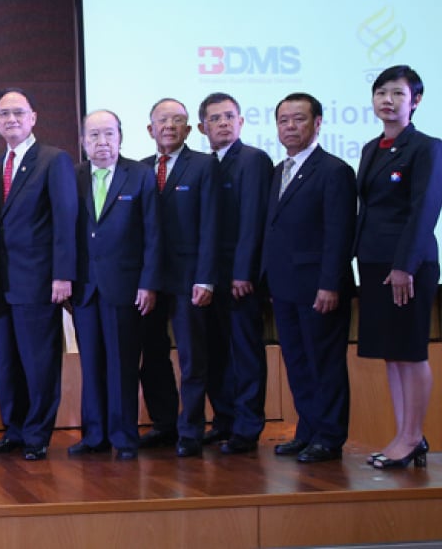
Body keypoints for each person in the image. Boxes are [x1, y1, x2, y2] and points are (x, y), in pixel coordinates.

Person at [355, 65, 442, 469]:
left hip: (409, 264)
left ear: (416, 101)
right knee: (391, 353)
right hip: (374, 263)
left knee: (410, 351)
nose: (387, 100)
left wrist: (405, 265)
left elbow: (424, 210)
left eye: (397, 94)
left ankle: (412, 437)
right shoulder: (372, 148)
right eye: (381, 93)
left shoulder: (427, 147)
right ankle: (404, 434)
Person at [0, 87, 78, 461]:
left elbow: (65, 218)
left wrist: (63, 275)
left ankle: (38, 433)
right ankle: (15, 430)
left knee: (39, 363)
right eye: (4, 114)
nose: (11, 119)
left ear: (33, 117)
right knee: (8, 364)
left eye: (18, 113)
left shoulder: (53, 160)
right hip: (0, 285)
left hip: (39, 281)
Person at [263, 92, 356, 463]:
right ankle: (308, 430)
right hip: (285, 287)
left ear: (318, 123)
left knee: (325, 362)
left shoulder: (334, 171)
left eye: (298, 119)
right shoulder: (278, 170)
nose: (290, 126)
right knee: (298, 362)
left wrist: (330, 283)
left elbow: (339, 233)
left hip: (320, 287)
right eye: (283, 120)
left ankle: (330, 436)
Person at [69, 110, 160, 461]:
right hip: (86, 289)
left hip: (127, 287)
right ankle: (94, 435)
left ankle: (123, 437)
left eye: (108, 134)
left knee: (122, 364)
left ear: (121, 138)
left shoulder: (139, 175)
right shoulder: (73, 177)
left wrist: (148, 283)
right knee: (90, 364)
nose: (101, 142)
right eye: (93, 136)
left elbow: (153, 234)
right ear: (83, 141)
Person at [138, 97, 219, 458]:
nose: (169, 126)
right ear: (150, 129)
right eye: (162, 121)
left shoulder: (204, 165)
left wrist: (206, 278)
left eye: (177, 121)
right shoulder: (139, 169)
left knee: (192, 358)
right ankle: (164, 424)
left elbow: (211, 225)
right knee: (152, 355)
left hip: (190, 279)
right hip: (149, 280)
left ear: (188, 129)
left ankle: (191, 429)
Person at [196, 92, 273, 454]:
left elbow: (253, 221)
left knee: (244, 353)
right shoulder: (205, 163)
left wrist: (244, 272)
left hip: (239, 278)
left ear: (241, 121)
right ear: (202, 127)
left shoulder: (253, 160)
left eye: (229, 116)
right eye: (215, 118)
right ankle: (224, 420)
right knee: (215, 352)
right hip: (208, 277)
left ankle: (246, 427)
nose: (223, 122)